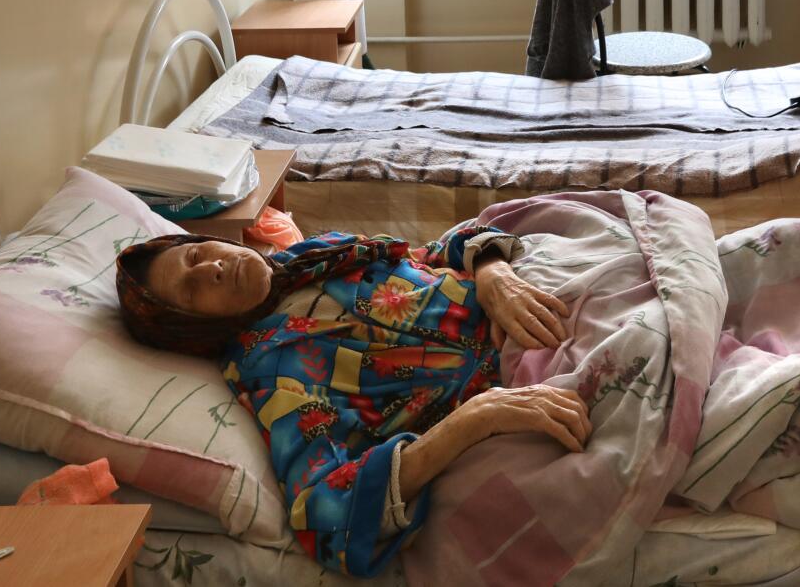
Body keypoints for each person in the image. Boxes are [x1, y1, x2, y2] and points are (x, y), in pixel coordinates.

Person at [116, 222, 589, 577]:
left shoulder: (314, 255)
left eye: (198, 253)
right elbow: (328, 516)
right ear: (194, 330)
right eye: (191, 289)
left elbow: (437, 250)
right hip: (521, 379)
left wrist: (493, 273)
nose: (213, 268)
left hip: (536, 292)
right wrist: (474, 419)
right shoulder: (273, 374)